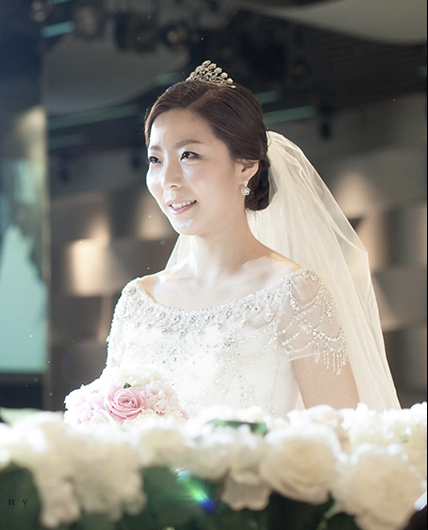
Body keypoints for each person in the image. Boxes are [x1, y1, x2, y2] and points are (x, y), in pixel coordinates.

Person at [94, 61, 399, 416]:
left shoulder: (294, 294)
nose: (168, 180)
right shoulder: (138, 300)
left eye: (189, 155)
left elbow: (338, 434)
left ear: (246, 164)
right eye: (155, 159)